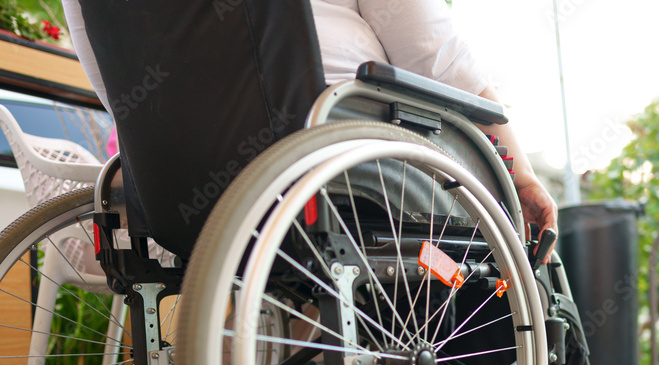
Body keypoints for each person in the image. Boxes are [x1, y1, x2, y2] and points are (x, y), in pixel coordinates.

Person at [61, 0, 558, 258]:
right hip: (335, 145)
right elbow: (441, 61)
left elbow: (113, 81)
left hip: (180, 176)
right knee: (491, 181)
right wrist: (523, 174)